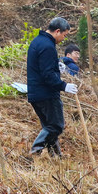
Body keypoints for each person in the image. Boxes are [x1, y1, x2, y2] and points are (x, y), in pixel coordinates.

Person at [26, 17, 79, 156]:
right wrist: (64, 86)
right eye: (64, 35)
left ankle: (56, 156)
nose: (63, 38)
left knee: (49, 126)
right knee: (56, 125)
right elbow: (47, 75)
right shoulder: (48, 46)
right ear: (57, 31)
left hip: (35, 92)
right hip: (46, 93)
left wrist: (56, 66)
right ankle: (35, 150)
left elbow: (43, 66)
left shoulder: (37, 41)